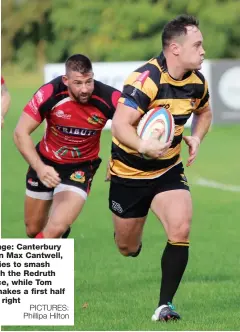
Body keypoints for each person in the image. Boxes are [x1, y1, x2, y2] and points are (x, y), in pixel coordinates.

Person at [108, 14, 212, 321]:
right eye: (198, 44)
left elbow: (204, 114)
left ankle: (164, 305)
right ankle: (128, 240)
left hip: (168, 170)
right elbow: (120, 125)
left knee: (181, 227)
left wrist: (196, 137)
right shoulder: (147, 79)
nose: (203, 50)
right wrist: (144, 146)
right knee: (127, 248)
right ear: (175, 48)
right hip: (128, 173)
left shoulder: (197, 82)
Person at [14, 54, 121, 239]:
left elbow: (130, 126)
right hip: (45, 162)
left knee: (54, 230)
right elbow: (20, 133)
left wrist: (117, 157)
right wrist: (40, 168)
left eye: (89, 82)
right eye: (78, 83)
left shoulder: (109, 97)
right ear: (66, 80)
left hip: (80, 168)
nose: (85, 89)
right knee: (33, 229)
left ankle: (54, 239)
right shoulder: (50, 93)